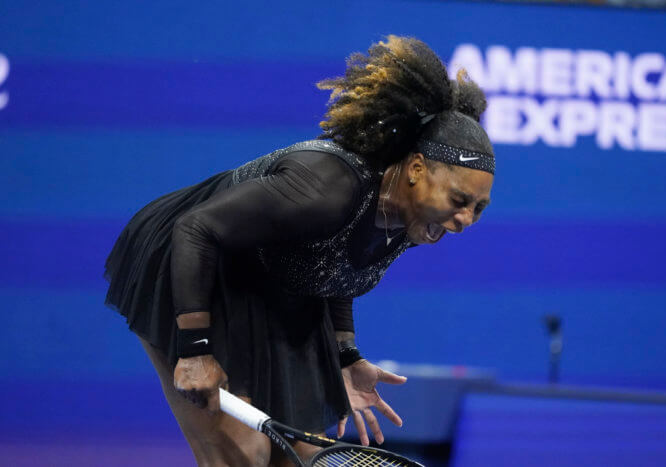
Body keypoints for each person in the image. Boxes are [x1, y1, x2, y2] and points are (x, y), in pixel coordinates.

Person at [103, 35, 494, 466]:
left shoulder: (413, 217)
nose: (466, 221)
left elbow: (338, 263)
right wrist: (195, 351)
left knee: (300, 457)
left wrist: (346, 354)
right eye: (459, 202)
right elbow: (194, 230)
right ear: (417, 169)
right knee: (243, 455)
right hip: (197, 263)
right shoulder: (327, 190)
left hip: (274, 284)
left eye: (479, 208)